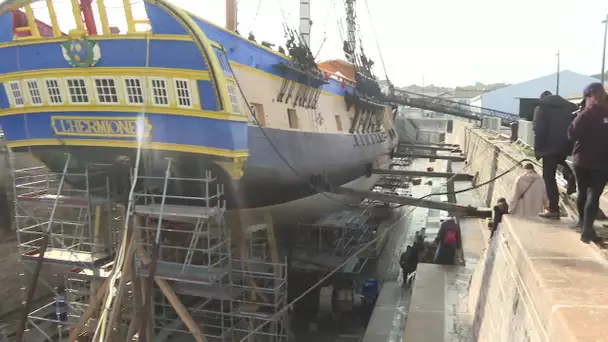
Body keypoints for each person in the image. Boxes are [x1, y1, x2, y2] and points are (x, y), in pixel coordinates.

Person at [567, 82, 608, 243]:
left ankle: (582, 225)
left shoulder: (587, 113)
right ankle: (587, 228)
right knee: (594, 195)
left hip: (582, 160)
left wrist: (580, 114)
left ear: (590, 97)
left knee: (583, 192)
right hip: (602, 161)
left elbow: (572, 134)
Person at [533, 90, 578, 219]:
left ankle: (553, 209)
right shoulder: (570, 106)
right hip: (566, 144)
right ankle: (569, 173)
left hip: (548, 147)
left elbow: (539, 130)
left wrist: (538, 149)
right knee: (559, 160)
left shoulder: (542, 107)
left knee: (549, 177)